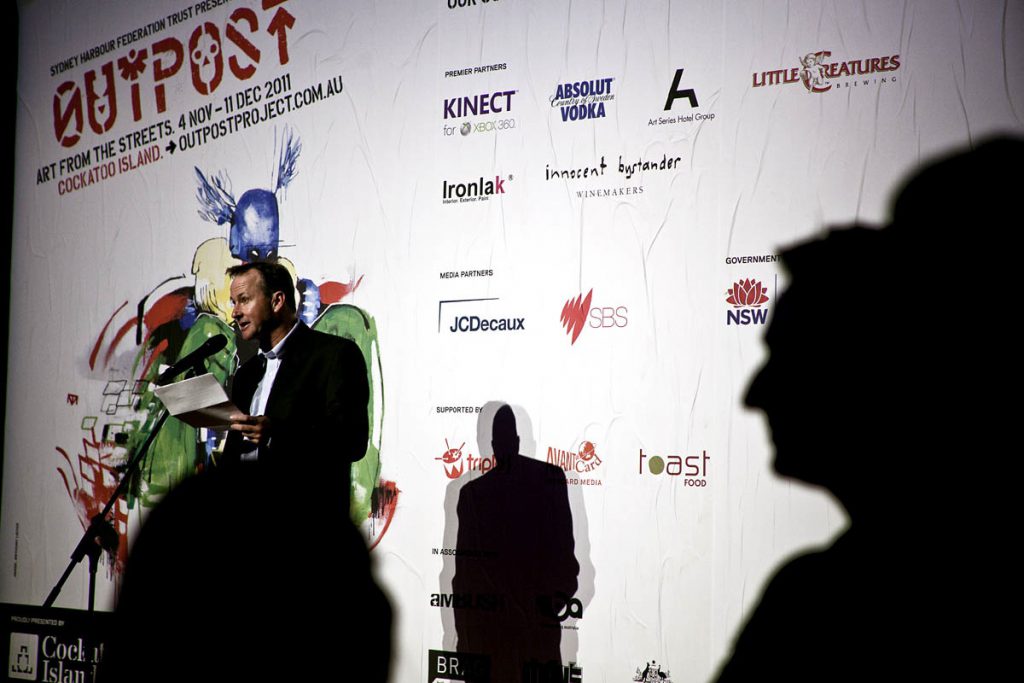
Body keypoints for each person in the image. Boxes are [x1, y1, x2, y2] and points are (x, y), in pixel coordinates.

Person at [221, 261, 369, 509]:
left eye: (244, 300)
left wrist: (276, 433)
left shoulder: (334, 355)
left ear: (277, 301)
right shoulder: (247, 373)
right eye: (233, 302)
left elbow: (351, 440)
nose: (235, 312)